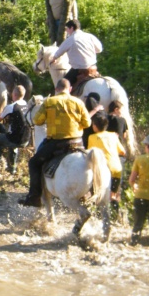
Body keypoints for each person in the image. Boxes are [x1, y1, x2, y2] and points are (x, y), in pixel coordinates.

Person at [18, 79, 91, 207]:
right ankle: (91, 191)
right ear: (70, 89)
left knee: (34, 163)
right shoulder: (78, 102)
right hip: (77, 143)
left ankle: (34, 197)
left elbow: (37, 120)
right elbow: (87, 123)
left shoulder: (49, 102)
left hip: (57, 143)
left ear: (56, 89)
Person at [87, 114, 125, 212]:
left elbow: (90, 153)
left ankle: (97, 217)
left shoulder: (92, 137)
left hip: (103, 170)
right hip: (116, 169)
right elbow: (123, 152)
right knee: (112, 196)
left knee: (97, 196)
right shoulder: (113, 135)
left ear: (94, 126)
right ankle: (119, 217)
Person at [0, 85, 30, 174]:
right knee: (13, 141)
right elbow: (3, 114)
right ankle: (12, 168)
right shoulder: (26, 105)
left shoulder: (11, 106)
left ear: (13, 94)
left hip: (14, 139)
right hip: (26, 139)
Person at [50, 19, 102, 88]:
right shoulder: (90, 36)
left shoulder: (70, 39)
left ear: (71, 28)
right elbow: (99, 49)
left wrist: (53, 59)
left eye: (67, 29)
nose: (67, 31)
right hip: (93, 69)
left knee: (62, 85)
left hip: (79, 70)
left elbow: (58, 52)